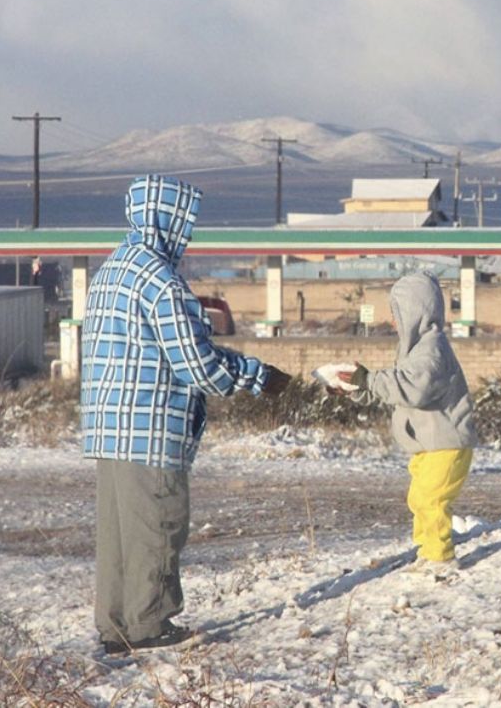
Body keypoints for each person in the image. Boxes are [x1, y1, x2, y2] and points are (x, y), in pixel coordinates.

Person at [81, 174, 291, 655]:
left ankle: (117, 626)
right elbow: (199, 365)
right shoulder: (160, 280)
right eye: (185, 223)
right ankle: (150, 623)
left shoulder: (113, 268)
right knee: (157, 526)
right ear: (167, 220)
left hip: (109, 429)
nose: (188, 234)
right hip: (151, 426)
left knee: (118, 538)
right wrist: (257, 376)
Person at [328, 272, 476, 576]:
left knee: (431, 500)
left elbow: (413, 388)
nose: (394, 322)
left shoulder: (433, 349)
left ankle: (440, 558)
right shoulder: (415, 350)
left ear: (415, 311)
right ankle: (427, 550)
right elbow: (397, 389)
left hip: (446, 444)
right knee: (418, 499)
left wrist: (369, 379)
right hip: (427, 445)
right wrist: (357, 388)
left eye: (397, 313)